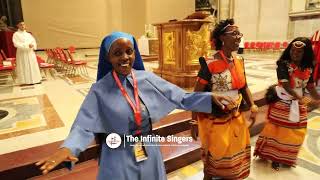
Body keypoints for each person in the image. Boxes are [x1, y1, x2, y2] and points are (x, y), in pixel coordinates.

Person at [35, 32, 235, 180]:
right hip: (117, 153)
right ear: (108, 57)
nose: (124, 57)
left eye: (129, 51)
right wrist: (68, 147)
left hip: (149, 148)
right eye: (117, 53)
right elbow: (84, 125)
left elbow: (181, 97)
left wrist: (209, 98)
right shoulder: (99, 89)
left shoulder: (147, 79)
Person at [191, 19, 258, 179]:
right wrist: (194, 122)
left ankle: (231, 175)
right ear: (222, 38)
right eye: (234, 34)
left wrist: (253, 105)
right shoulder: (210, 63)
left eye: (239, 34)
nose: (239, 37)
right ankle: (209, 175)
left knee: (236, 149)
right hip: (216, 117)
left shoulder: (239, 61)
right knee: (216, 151)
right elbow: (196, 95)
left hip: (236, 115)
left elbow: (244, 86)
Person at [254, 37, 320, 170]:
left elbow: (311, 86)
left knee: (297, 131)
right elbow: (285, 85)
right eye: (292, 50)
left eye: (299, 52)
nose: (294, 54)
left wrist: (318, 98)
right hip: (282, 102)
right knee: (279, 132)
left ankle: (287, 157)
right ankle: (275, 157)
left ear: (305, 53)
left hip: (298, 102)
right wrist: (299, 97)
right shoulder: (283, 64)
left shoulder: (308, 67)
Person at [12, 21, 41, 85]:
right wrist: (27, 46)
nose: (22, 26)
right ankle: (26, 81)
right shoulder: (16, 34)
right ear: (18, 26)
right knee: (24, 66)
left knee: (32, 65)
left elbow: (33, 41)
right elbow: (16, 44)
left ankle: (35, 79)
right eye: (21, 25)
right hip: (22, 53)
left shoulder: (28, 34)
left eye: (23, 24)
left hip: (30, 53)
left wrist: (33, 45)